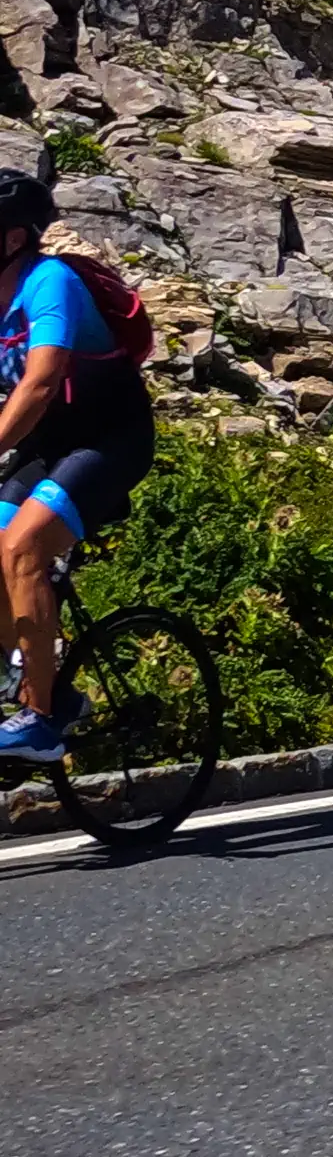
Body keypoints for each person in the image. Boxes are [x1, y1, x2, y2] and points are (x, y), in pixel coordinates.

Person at [0, 164, 156, 764]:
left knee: (22, 548)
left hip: (110, 438)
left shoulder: (49, 281)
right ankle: (31, 674)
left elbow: (39, 385)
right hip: (50, 445)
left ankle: (42, 716)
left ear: (13, 237)